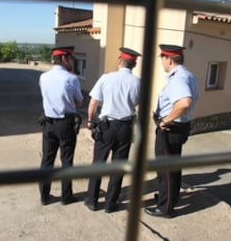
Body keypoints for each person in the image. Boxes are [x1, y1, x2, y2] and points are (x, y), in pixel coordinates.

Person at [144, 44, 199, 218]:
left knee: (165, 169)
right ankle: (169, 198)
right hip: (180, 127)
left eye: (162, 58)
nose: (161, 62)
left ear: (168, 59)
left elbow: (185, 102)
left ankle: (165, 208)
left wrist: (164, 120)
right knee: (173, 167)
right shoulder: (188, 74)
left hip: (170, 129)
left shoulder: (177, 79)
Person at [84, 47, 141, 213]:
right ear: (134, 64)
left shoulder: (106, 78)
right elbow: (138, 103)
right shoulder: (138, 82)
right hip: (125, 127)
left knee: (98, 163)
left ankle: (92, 200)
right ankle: (110, 204)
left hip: (106, 126)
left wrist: (89, 121)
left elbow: (93, 103)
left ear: (119, 61)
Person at [38, 46, 84, 206]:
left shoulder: (43, 77)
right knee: (66, 160)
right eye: (71, 58)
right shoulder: (71, 78)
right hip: (66, 124)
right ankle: (66, 196)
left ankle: (44, 196)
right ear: (65, 58)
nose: (73, 61)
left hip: (48, 123)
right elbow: (79, 102)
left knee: (47, 160)